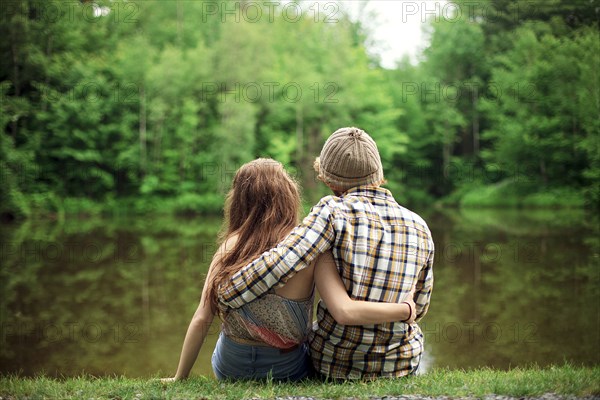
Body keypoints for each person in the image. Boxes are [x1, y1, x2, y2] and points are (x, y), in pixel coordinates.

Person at [162, 158, 416, 382]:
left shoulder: (228, 247)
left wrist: (179, 377)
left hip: (231, 365)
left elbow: (202, 319)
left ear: (239, 200)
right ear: (288, 194)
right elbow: (343, 308)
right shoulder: (310, 248)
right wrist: (405, 310)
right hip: (286, 369)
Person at [219, 128, 435, 380]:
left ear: (329, 181)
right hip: (400, 365)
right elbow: (418, 307)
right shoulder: (419, 225)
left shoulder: (332, 211)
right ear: (379, 175)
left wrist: (228, 292)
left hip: (336, 364)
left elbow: (282, 261)